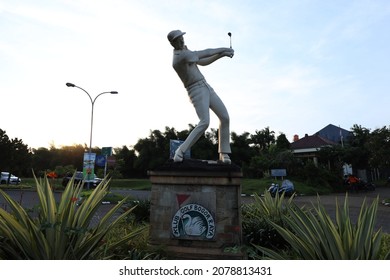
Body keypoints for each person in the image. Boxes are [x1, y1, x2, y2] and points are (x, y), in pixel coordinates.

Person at [167, 30, 234, 164]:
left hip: (205, 85)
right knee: (204, 122)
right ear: (172, 43)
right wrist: (223, 49)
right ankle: (180, 151)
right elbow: (205, 52)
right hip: (195, 89)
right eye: (179, 39)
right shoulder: (180, 56)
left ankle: (224, 153)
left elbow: (203, 61)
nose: (182, 40)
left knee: (224, 117)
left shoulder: (185, 51)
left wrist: (222, 55)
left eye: (182, 38)